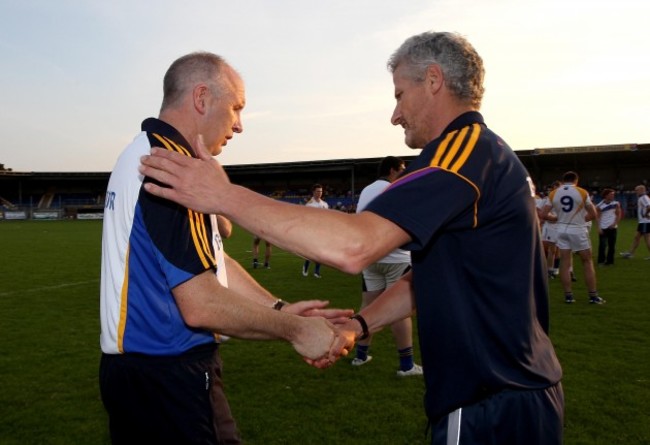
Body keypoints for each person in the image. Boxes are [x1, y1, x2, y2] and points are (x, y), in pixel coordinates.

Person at [140, 32, 565, 444]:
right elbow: (427, 279)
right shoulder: (481, 155)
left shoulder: (464, 152)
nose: (395, 114)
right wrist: (359, 326)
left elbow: (354, 247)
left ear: (433, 80)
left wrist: (223, 195)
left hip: (489, 401)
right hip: (514, 393)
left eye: (399, 94)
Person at [100, 52, 353, 444]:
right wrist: (296, 330)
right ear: (201, 98)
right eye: (236, 108)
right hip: (166, 377)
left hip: (149, 378)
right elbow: (201, 303)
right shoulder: (166, 166)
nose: (239, 125)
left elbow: (215, 260)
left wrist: (277, 308)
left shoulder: (161, 157)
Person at [352, 156, 422, 377]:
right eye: (401, 168)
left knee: (367, 308)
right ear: (392, 170)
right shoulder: (397, 188)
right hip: (396, 258)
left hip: (371, 258)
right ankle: (407, 365)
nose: (403, 172)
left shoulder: (366, 190)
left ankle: (360, 356)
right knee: (400, 312)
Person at [541, 171, 605, 304]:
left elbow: (544, 214)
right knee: (587, 261)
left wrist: (556, 218)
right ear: (576, 180)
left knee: (565, 261)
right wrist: (580, 220)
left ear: (563, 180)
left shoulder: (554, 193)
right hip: (577, 229)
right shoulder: (581, 192)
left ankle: (568, 296)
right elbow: (593, 214)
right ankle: (593, 296)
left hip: (561, 229)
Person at [301, 184, 329, 278]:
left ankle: (316, 272)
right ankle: (305, 267)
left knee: (320, 253)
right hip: (311, 232)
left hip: (322, 232)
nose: (319, 193)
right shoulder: (309, 205)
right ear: (313, 192)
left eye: (321, 191)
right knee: (310, 252)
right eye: (317, 191)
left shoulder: (325, 204)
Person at [620, 184, 650, 259]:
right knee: (636, 237)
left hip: (645, 222)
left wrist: (645, 214)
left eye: (637, 190)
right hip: (643, 222)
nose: (635, 191)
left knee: (647, 239)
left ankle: (630, 253)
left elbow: (649, 206)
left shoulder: (644, 197)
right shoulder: (642, 197)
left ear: (642, 190)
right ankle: (630, 253)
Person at [595, 188, 623, 265]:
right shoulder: (599, 206)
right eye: (611, 194)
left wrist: (614, 224)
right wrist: (598, 228)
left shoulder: (616, 203)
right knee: (602, 246)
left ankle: (610, 261)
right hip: (603, 228)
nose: (613, 196)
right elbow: (597, 218)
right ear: (606, 195)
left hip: (613, 228)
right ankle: (601, 261)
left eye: (613, 194)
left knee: (612, 246)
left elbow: (618, 214)